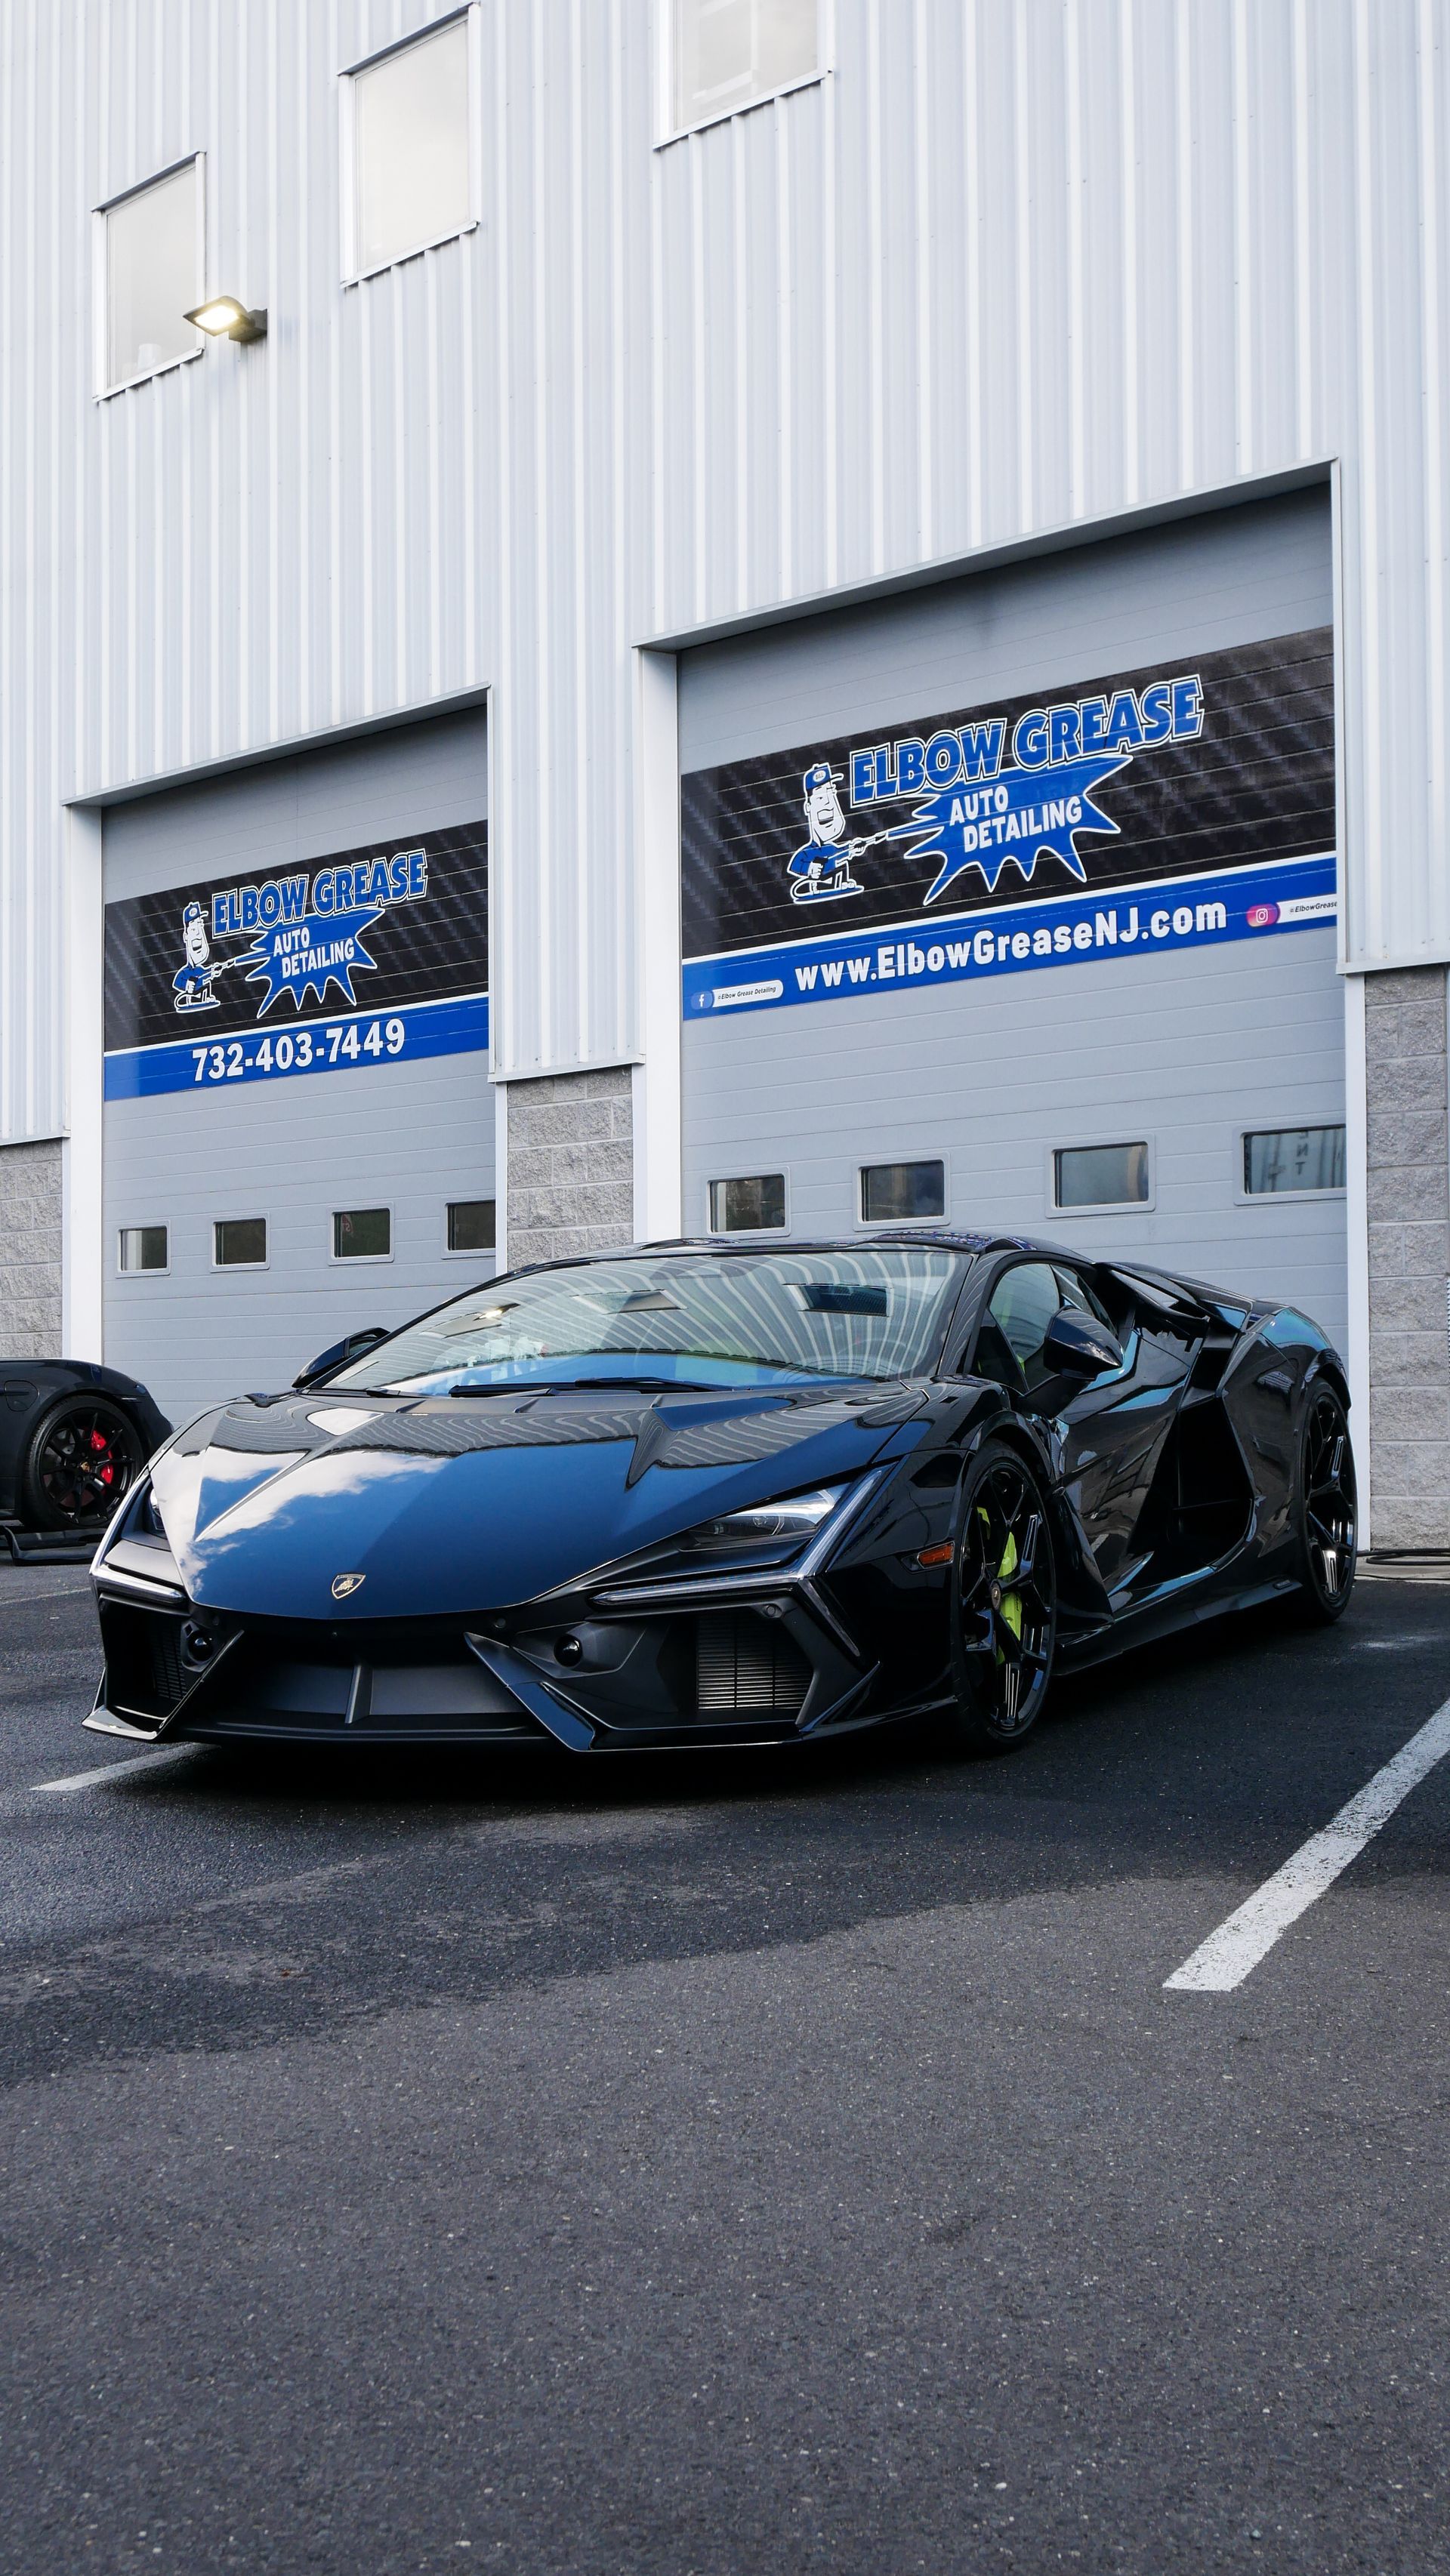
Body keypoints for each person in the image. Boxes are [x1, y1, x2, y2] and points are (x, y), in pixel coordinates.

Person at [786, 762, 868, 904]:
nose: (828, 804)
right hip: (818, 885)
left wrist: (853, 848)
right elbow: (795, 866)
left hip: (836, 885)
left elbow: (842, 852)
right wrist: (809, 868)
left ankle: (842, 884)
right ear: (808, 807)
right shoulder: (806, 852)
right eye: (820, 797)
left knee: (842, 864)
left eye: (831, 793)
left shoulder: (831, 848)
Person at [171, 901, 227, 1013]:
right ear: (185, 936)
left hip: (200, 994)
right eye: (193, 928)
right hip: (190, 996)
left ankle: (206, 999)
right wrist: (186, 985)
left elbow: (207, 973)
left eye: (200, 926)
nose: (197, 933)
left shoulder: (200, 970)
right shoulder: (184, 972)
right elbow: (176, 983)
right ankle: (190, 1002)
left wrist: (214, 970)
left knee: (207, 984)